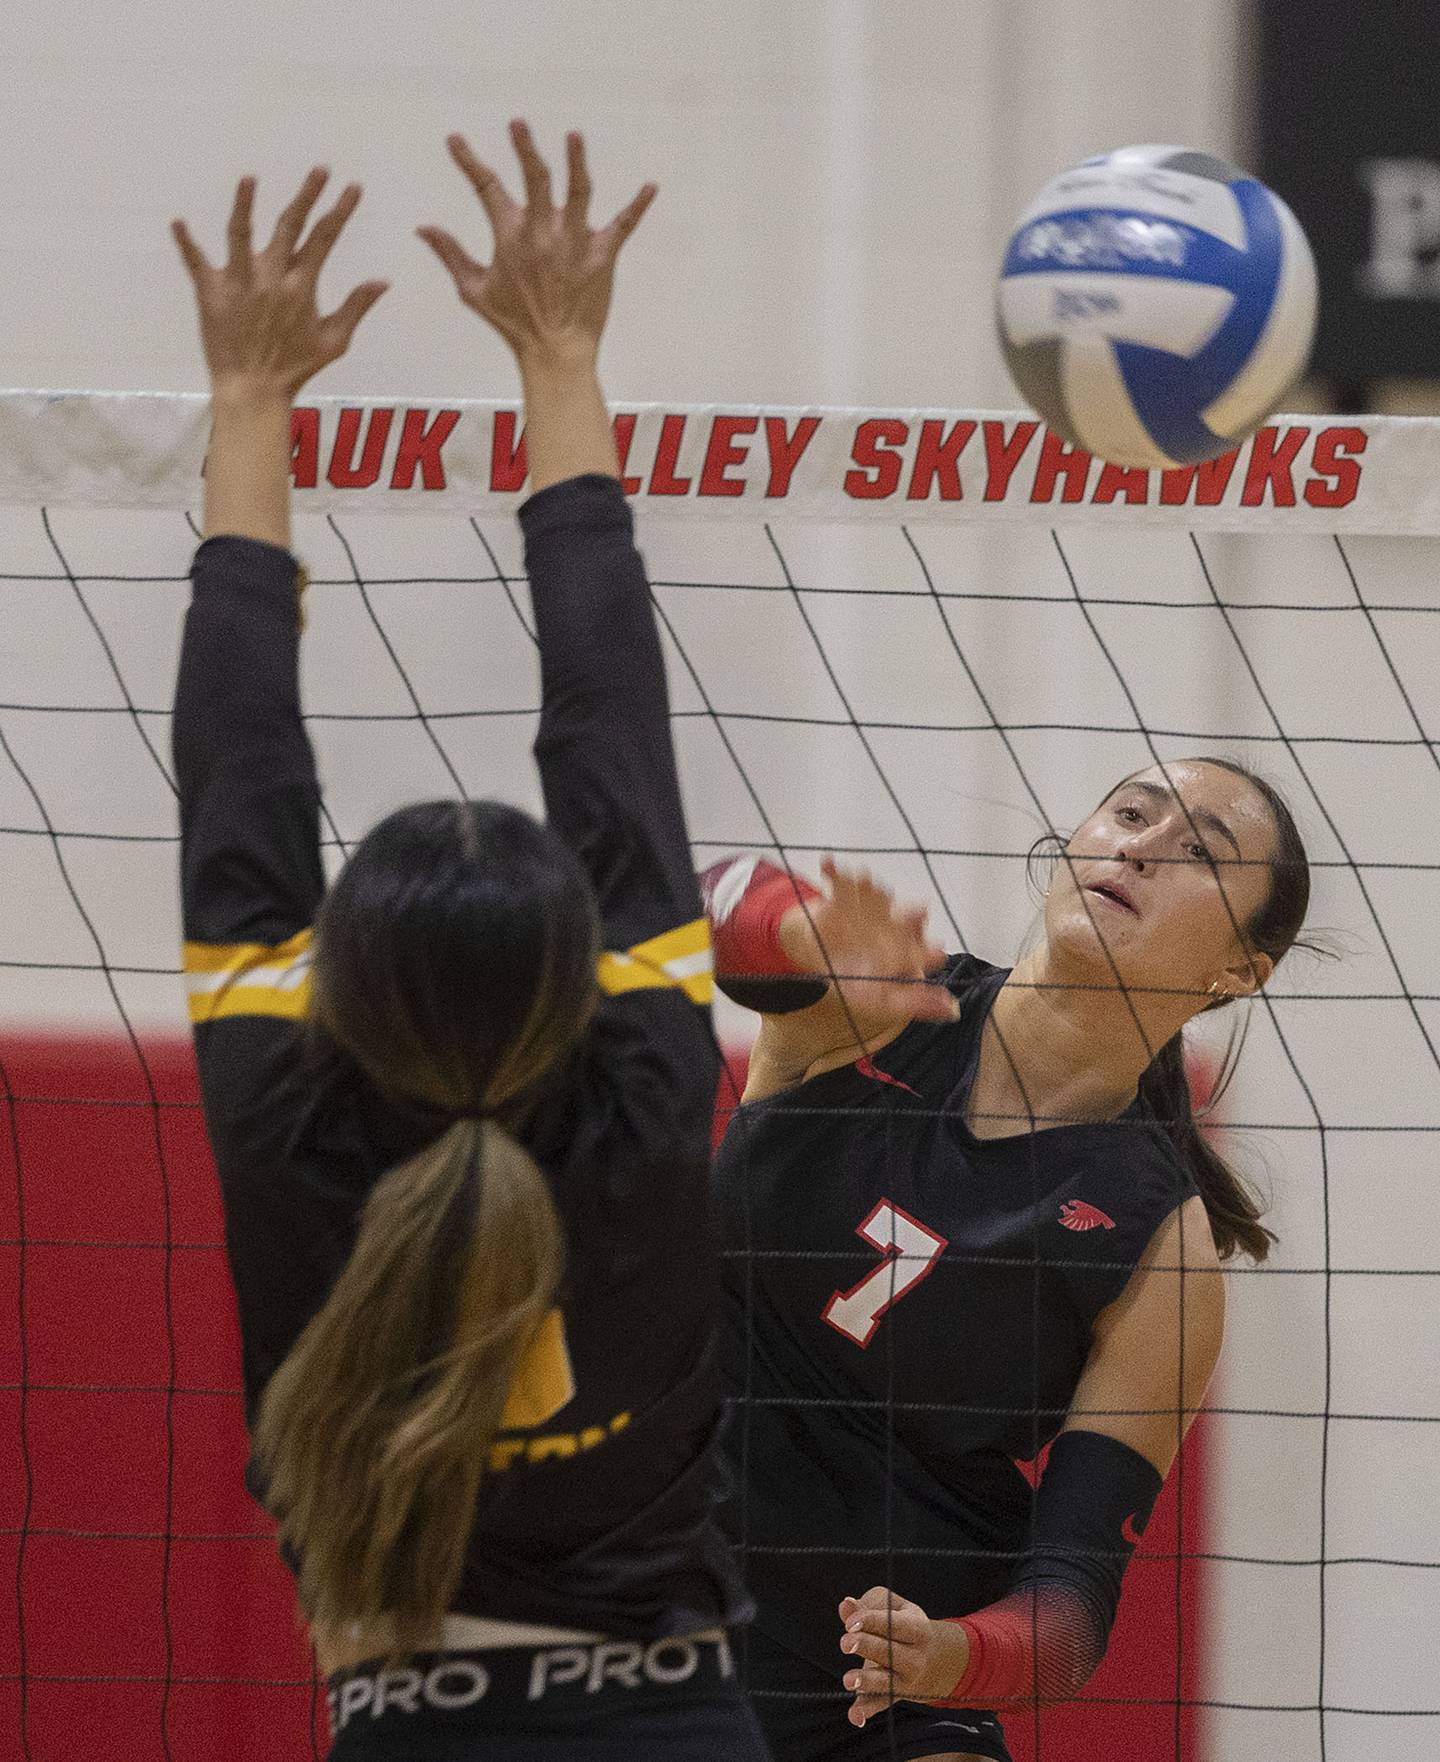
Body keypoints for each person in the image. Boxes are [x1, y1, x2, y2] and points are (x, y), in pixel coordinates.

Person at [172, 123, 768, 1761]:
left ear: (339, 996)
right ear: (586, 974)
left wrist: (245, 400)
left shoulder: (301, 1132)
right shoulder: (642, 1091)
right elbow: (609, 724)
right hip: (681, 1727)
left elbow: (241, 764)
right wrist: (563, 353)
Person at [702, 758, 1312, 1762]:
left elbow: (1070, 1611)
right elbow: (707, 903)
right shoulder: (887, 1001)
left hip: (878, 1681)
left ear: (1243, 970)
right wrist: (791, 925)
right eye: (1128, 811)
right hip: (652, 1599)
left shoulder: (1163, 1250)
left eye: (1199, 849)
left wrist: (952, 1655)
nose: (1142, 846)